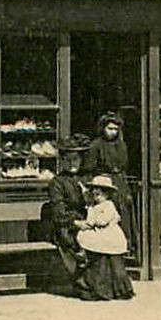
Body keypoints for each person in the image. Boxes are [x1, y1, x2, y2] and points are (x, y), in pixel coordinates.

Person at [73, 174, 134, 301]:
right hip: (101, 235)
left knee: (114, 264)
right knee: (100, 262)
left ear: (107, 194)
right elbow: (92, 221)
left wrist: (91, 217)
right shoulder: (95, 207)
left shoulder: (108, 206)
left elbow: (102, 221)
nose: (96, 198)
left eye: (99, 195)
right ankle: (101, 289)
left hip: (110, 235)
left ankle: (119, 289)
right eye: (94, 195)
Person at [83, 112, 136, 253]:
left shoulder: (121, 144)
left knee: (124, 214)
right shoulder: (96, 145)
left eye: (115, 129)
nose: (112, 132)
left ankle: (126, 245)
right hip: (104, 183)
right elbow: (89, 168)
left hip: (121, 182)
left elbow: (125, 164)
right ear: (102, 128)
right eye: (109, 128)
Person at [45, 133, 91, 292]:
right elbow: (58, 212)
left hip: (85, 220)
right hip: (66, 225)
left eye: (76, 159)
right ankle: (81, 279)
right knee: (72, 241)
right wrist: (76, 223)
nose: (73, 163)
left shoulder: (84, 179)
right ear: (62, 161)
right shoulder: (57, 183)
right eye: (68, 159)